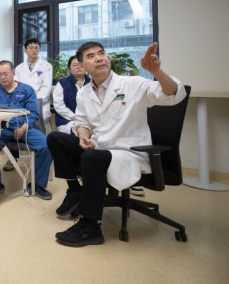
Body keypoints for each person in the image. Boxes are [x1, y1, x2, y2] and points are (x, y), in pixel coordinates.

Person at [48, 41, 185, 247]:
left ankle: (90, 227)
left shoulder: (132, 84)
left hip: (128, 153)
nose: (99, 58)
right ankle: (75, 190)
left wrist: (156, 71)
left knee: (91, 157)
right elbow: (82, 122)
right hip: (99, 148)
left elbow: (172, 95)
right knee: (54, 138)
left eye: (101, 53)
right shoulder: (84, 92)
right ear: (82, 66)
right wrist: (83, 135)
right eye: (91, 56)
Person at [0, 60, 53, 200]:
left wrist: (24, 127)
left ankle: (37, 184)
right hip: (1, 129)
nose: (3, 77)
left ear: (13, 72)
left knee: (45, 145)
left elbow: (34, 113)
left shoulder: (26, 89)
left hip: (25, 128)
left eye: (6, 74)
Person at [15, 38, 53, 132]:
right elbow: (16, 88)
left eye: (36, 48)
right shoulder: (19, 68)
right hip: (22, 104)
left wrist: (32, 102)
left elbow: (46, 88)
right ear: (25, 50)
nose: (34, 50)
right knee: (19, 125)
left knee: (37, 127)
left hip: (40, 105)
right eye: (31, 48)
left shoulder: (47, 66)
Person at [52, 56, 91, 134]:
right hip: (68, 122)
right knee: (79, 131)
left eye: (81, 64)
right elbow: (59, 105)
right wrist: (74, 117)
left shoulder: (93, 82)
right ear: (69, 69)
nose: (78, 67)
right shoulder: (62, 83)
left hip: (90, 120)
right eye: (74, 65)